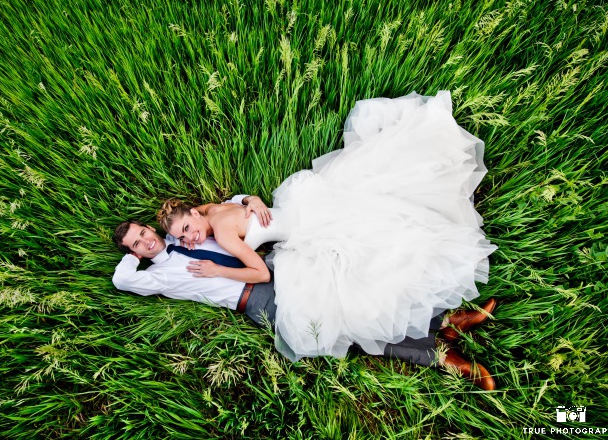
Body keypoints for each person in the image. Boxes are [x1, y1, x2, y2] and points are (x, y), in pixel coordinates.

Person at [158, 92, 498, 365]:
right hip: (305, 211)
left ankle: (447, 323)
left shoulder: (220, 227)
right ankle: (446, 325)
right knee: (379, 262)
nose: (191, 237)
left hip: (310, 225)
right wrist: (242, 206)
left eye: (188, 227)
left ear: (194, 212)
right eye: (183, 237)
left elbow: (260, 273)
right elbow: (223, 215)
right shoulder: (209, 214)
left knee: (382, 256)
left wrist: (248, 207)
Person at [112, 204, 498, 390]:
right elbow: (120, 280)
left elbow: (232, 208)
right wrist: (132, 259)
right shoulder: (157, 276)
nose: (146, 241)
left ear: (152, 226)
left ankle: (444, 321)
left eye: (143, 233)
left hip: (275, 268)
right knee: (344, 326)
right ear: (137, 254)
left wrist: (251, 203)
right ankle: (442, 357)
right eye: (138, 245)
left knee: (354, 288)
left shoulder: (187, 232)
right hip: (256, 299)